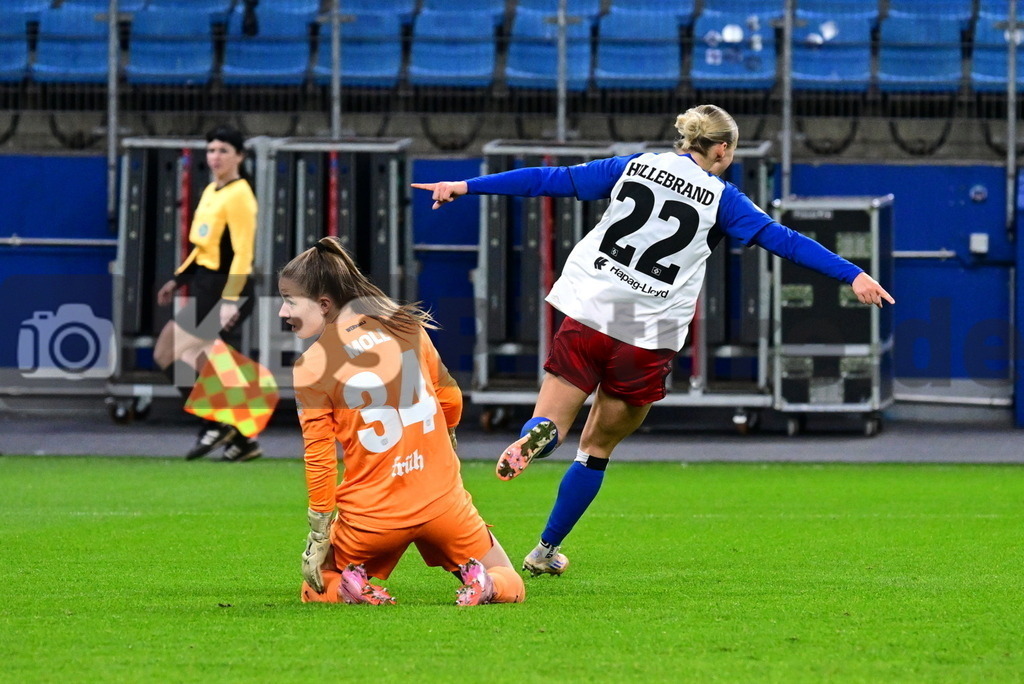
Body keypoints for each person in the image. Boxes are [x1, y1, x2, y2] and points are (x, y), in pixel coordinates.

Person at [411, 103, 895, 578]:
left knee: (555, 421)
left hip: (589, 314)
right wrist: (851, 274)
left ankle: (539, 433)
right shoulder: (722, 198)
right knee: (595, 448)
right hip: (646, 337)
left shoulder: (632, 166)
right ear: (722, 150)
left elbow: (548, 179)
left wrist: (465, 186)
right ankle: (544, 550)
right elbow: (783, 239)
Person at [280, 236, 526, 606]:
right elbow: (451, 398)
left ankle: (350, 587)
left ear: (324, 304)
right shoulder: (405, 327)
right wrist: (446, 442)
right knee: (508, 578)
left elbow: (320, 458)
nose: (283, 313)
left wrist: (318, 533)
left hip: (372, 519)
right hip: (443, 502)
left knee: (315, 587)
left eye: (289, 301)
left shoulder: (311, 366)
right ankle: (486, 586)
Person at [153, 125, 262, 462]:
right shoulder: (212, 190)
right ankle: (242, 439)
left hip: (226, 287)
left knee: (177, 354)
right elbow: (201, 246)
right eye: (211, 150)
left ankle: (219, 422)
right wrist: (179, 279)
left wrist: (230, 300)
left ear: (240, 156)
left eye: (224, 150)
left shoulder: (241, 194)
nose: (215, 156)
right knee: (173, 355)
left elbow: (243, 253)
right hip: (204, 283)